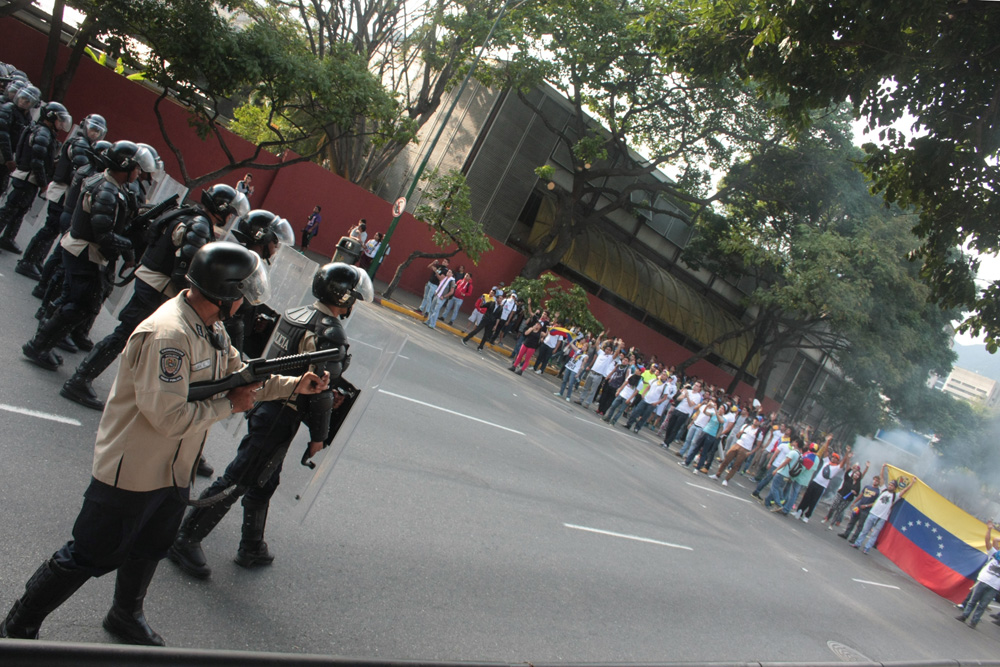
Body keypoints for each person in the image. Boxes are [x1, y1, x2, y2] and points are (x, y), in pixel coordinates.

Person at [0, 242, 330, 645]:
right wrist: (229, 405)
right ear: (224, 293)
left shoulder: (210, 327)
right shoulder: (169, 335)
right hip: (133, 469)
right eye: (242, 293)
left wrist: (295, 384)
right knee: (89, 552)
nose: (245, 302)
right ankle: (19, 624)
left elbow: (241, 376)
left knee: (151, 545)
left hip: (173, 469)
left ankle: (125, 614)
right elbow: (168, 417)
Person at [169, 261, 370, 579]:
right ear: (343, 297)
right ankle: (185, 538)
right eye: (354, 297)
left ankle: (252, 545)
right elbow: (321, 391)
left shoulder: (297, 314)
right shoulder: (329, 332)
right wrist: (319, 437)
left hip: (266, 402)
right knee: (238, 478)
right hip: (281, 413)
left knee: (265, 480)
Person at [58, 183, 251, 411]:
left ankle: (117, 391)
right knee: (124, 335)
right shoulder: (199, 226)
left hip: (152, 282)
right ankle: (80, 379)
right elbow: (185, 269)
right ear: (221, 208)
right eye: (229, 212)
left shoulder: (190, 215)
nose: (229, 217)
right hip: (158, 287)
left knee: (137, 341)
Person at [21, 140, 145, 371]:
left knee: (71, 300)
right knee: (80, 305)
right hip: (84, 252)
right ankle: (39, 346)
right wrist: (129, 246)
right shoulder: (107, 191)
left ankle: (43, 343)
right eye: (137, 167)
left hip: (81, 250)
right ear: (125, 166)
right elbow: (104, 235)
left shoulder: (110, 185)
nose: (139, 173)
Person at [15, 113, 108, 280]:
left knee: (53, 229)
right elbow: (81, 169)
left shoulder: (84, 144)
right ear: (85, 127)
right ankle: (29, 261)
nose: (94, 133)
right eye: (92, 129)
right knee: (51, 227)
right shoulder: (80, 144)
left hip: (65, 191)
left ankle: (36, 260)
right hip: (62, 191)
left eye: (98, 131)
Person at [0, 100, 72, 254]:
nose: (61, 124)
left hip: (28, 178)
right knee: (10, 210)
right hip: (27, 179)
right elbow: (37, 162)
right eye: (59, 120)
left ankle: (8, 238)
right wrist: (43, 183)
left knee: (19, 210)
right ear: (50, 117)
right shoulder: (43, 134)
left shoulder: (43, 132)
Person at [852, 465, 914, 554]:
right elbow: (881, 478)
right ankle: (857, 543)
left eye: (892, 485)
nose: (890, 486)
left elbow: (904, 491)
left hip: (881, 518)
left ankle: (867, 548)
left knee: (874, 534)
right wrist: (883, 467)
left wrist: (912, 483)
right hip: (872, 513)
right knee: (864, 530)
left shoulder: (895, 496)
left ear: (895, 488)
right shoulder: (883, 490)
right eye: (890, 484)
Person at [0, 83, 39, 205]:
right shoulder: (8, 109)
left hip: (8, 155)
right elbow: (3, 134)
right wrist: (8, 158)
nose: (23, 102)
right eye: (22, 98)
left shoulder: (27, 118)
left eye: (27, 101)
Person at [956, 522, 1000, 628]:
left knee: (982, 605)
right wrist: (989, 530)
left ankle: (974, 622)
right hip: (984, 580)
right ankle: (964, 616)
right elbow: (988, 541)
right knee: (973, 600)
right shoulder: (994, 554)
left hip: (994, 586)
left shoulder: (995, 554)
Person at [838, 473, 882, 542]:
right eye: (874, 480)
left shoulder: (878, 492)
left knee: (860, 525)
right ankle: (846, 534)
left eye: (877, 481)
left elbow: (875, 503)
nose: (875, 481)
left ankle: (854, 538)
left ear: (879, 482)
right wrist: (854, 502)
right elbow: (861, 495)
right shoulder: (867, 487)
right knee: (852, 520)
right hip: (859, 506)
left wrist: (866, 506)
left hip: (866, 510)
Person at [823, 462, 869, 528]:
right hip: (840, 494)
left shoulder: (858, 484)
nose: (856, 475)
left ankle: (832, 524)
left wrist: (854, 492)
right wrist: (851, 467)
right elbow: (847, 472)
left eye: (858, 475)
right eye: (856, 473)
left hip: (847, 499)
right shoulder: (848, 478)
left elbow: (857, 493)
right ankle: (828, 518)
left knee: (839, 511)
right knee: (833, 507)